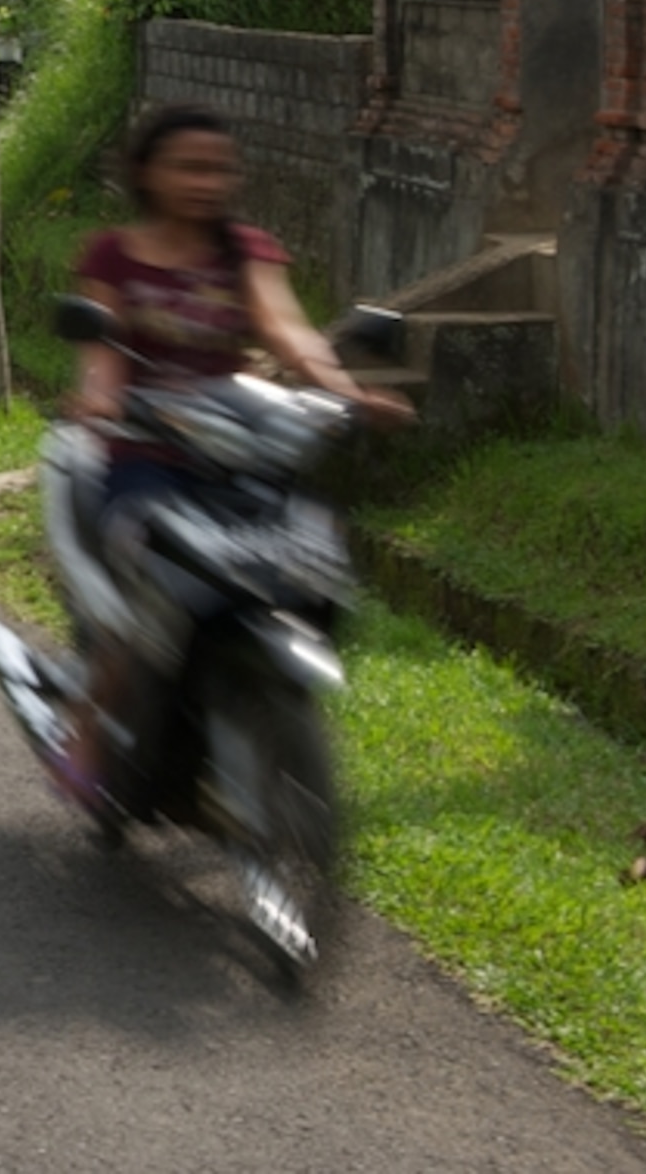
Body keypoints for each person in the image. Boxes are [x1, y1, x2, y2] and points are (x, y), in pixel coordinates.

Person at [57, 102, 408, 806]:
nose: (208, 181)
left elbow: (289, 332)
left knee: (307, 559)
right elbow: (103, 355)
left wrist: (348, 393)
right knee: (143, 594)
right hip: (145, 452)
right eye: (190, 166)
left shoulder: (245, 249)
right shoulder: (113, 255)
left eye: (220, 168)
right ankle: (88, 731)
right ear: (146, 173)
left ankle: (254, 698)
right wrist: (100, 396)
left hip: (235, 447)